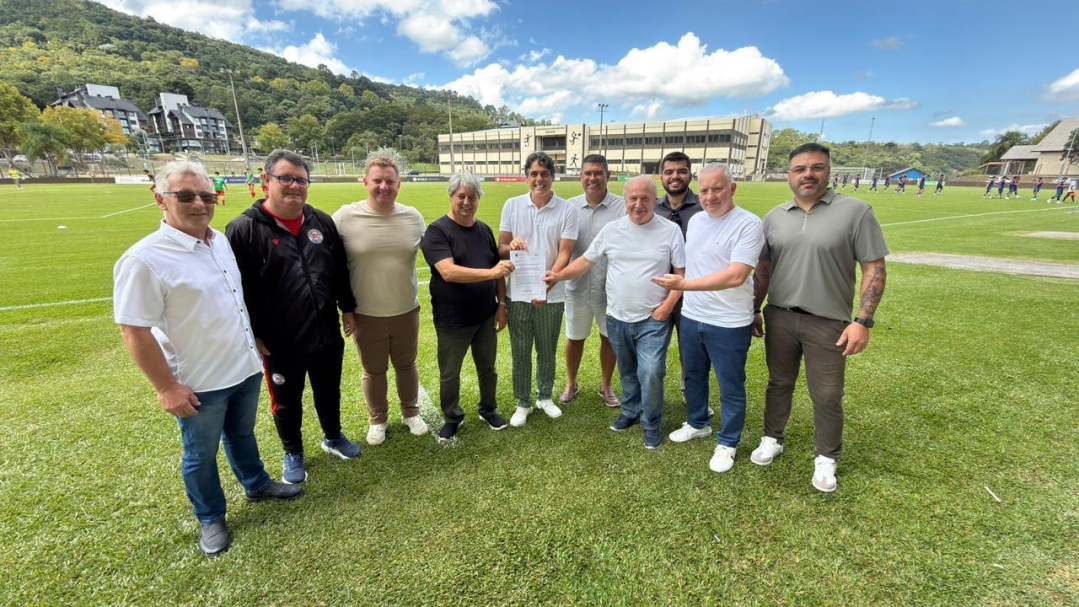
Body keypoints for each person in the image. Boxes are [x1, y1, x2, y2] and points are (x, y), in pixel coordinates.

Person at [113, 160, 301, 557]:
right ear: (160, 199)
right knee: (200, 454)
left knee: (242, 434)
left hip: (243, 367)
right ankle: (211, 516)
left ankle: (256, 484)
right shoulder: (144, 259)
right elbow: (134, 331)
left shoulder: (219, 242)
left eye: (206, 195)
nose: (199, 204)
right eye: (185, 196)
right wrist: (166, 387)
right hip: (199, 380)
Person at [749, 142, 889, 493]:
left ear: (828, 171)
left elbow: (874, 268)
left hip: (828, 322)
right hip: (780, 316)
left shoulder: (855, 211)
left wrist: (863, 321)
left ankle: (827, 456)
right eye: (799, 169)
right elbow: (763, 269)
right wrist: (754, 308)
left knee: (826, 394)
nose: (807, 175)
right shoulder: (775, 216)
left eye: (816, 167)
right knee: (778, 383)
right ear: (789, 175)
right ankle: (772, 437)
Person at [226, 149, 361, 485]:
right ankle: (293, 451)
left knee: (328, 390)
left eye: (301, 180)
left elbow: (339, 270)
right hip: (278, 340)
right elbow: (235, 289)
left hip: (325, 329)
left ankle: (333, 436)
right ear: (267, 180)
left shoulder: (321, 222)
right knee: (286, 401)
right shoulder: (244, 229)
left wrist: (347, 307)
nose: (294, 186)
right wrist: (253, 332)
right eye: (285, 178)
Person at [544, 176, 685, 450]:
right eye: (633, 198)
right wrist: (559, 275)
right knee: (628, 371)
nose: (638, 204)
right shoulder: (612, 230)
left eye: (645, 198)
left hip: (653, 317)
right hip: (617, 316)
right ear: (626, 200)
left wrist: (667, 306)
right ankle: (631, 411)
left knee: (652, 372)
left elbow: (681, 272)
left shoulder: (670, 230)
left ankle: (652, 422)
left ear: (654, 200)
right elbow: (586, 261)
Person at [651, 163, 763, 473]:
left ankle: (728, 442)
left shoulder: (749, 223)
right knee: (693, 375)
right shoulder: (698, 220)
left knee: (730, 384)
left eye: (717, 189)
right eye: (704, 190)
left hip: (729, 321)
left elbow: (736, 275)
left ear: (732, 188)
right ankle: (698, 422)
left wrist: (683, 286)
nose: (710, 196)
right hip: (692, 315)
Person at [334, 157, 428, 445]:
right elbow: (330, 264)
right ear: (365, 182)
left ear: (399, 185)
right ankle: (377, 419)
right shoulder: (344, 217)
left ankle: (411, 412)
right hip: (366, 312)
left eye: (390, 181)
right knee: (373, 371)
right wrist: (345, 308)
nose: (383, 186)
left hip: (406, 308)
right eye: (377, 180)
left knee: (406, 365)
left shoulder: (413, 217)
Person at [421, 173, 513, 440]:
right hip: (452, 319)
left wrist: (501, 303)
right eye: (461, 196)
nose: (466, 202)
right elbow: (448, 272)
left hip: (485, 315)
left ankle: (488, 409)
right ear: (451, 196)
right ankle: (452, 417)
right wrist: (491, 273)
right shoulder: (437, 231)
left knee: (488, 369)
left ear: (478, 199)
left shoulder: (483, 230)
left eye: (472, 197)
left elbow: (498, 271)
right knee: (450, 373)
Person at [498, 151, 578, 426]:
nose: (539, 179)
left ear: (553, 177)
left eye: (544, 174)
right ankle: (523, 402)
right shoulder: (512, 205)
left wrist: (549, 282)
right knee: (520, 351)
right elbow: (501, 248)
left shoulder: (567, 209)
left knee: (546, 349)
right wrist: (512, 246)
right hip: (518, 293)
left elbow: (565, 252)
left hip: (551, 294)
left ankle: (544, 397)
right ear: (526, 177)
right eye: (534, 174)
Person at [560, 154, 625, 408]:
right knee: (574, 337)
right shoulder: (569, 207)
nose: (592, 178)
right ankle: (571, 383)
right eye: (587, 173)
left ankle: (605, 385)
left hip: (610, 289)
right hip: (576, 287)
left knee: (609, 338)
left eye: (598, 173)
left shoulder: (622, 207)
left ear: (608, 176)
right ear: (581, 177)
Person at [653, 151, 703, 398]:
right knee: (652, 348)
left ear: (690, 175)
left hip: (693, 292)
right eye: (669, 172)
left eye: (681, 171)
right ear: (661, 176)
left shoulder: (704, 207)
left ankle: (690, 392)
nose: (675, 176)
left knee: (691, 349)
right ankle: (650, 393)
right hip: (656, 291)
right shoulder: (652, 208)